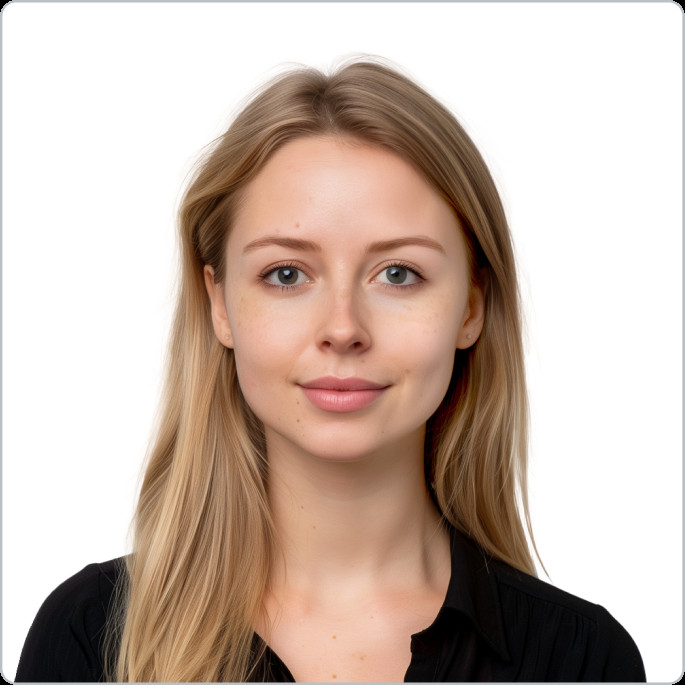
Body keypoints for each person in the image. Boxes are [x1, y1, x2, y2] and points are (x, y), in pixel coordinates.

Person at [16, 58, 645, 683]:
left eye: (399, 273)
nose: (343, 328)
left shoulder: (584, 661)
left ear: (471, 307)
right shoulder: (88, 638)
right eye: (286, 274)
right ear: (219, 305)